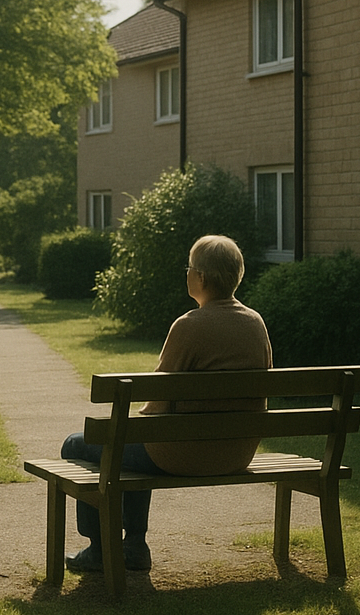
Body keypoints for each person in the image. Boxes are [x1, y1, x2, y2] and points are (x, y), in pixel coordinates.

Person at [60, 233, 273, 573]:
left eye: (189, 267)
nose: (186, 273)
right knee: (133, 438)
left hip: (182, 455)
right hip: (236, 452)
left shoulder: (189, 326)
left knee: (78, 444)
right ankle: (133, 546)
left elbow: (157, 401)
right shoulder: (255, 324)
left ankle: (101, 548)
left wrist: (134, 422)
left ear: (201, 277)